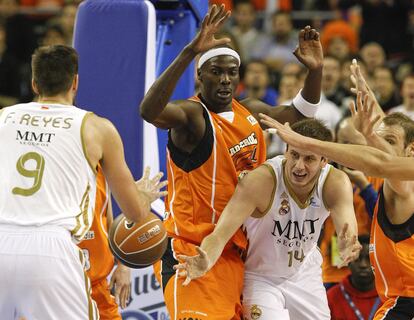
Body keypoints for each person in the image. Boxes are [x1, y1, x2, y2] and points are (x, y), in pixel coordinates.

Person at [139, 4, 324, 319]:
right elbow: (149, 111)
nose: (225, 79)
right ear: (200, 76)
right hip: (192, 250)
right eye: (216, 71)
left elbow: (301, 114)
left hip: (239, 255)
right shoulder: (192, 116)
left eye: (231, 72)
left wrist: (315, 71)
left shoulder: (248, 110)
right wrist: (188, 52)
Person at [0, 45, 166, 319]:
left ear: (33, 83)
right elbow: (135, 213)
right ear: (75, 82)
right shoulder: (96, 128)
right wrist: (144, 197)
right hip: (50, 246)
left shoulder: (4, 118)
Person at [175, 118, 361, 320]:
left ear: (324, 160)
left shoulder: (335, 182)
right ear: (286, 151)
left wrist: (346, 245)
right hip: (260, 277)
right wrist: (207, 260)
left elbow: (347, 231)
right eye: (294, 155)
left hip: (304, 273)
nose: (299, 166)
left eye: (309, 159)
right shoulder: (261, 181)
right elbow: (220, 235)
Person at [259, 94, 414, 320]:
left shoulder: (403, 184)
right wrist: (372, 131)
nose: (375, 147)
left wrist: (304, 142)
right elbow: (393, 149)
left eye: (386, 142)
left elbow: (383, 163)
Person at [78, 165, 130, 320]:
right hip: (57, 286)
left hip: (98, 286)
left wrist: (123, 264)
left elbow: (107, 219)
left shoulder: (102, 163)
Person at [327, 234, 381, 320]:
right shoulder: (331, 297)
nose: (363, 265)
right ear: (348, 262)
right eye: (357, 258)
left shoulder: (389, 296)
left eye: (369, 259)